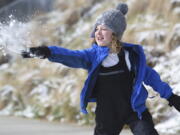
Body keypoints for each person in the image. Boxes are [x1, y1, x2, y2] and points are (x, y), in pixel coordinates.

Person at [21, 3, 180, 135]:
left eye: (103, 28)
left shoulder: (130, 56)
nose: (98, 32)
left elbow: (151, 76)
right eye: (96, 29)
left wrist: (171, 97)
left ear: (115, 34)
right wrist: (49, 52)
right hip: (107, 114)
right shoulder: (92, 56)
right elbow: (71, 55)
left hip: (134, 110)